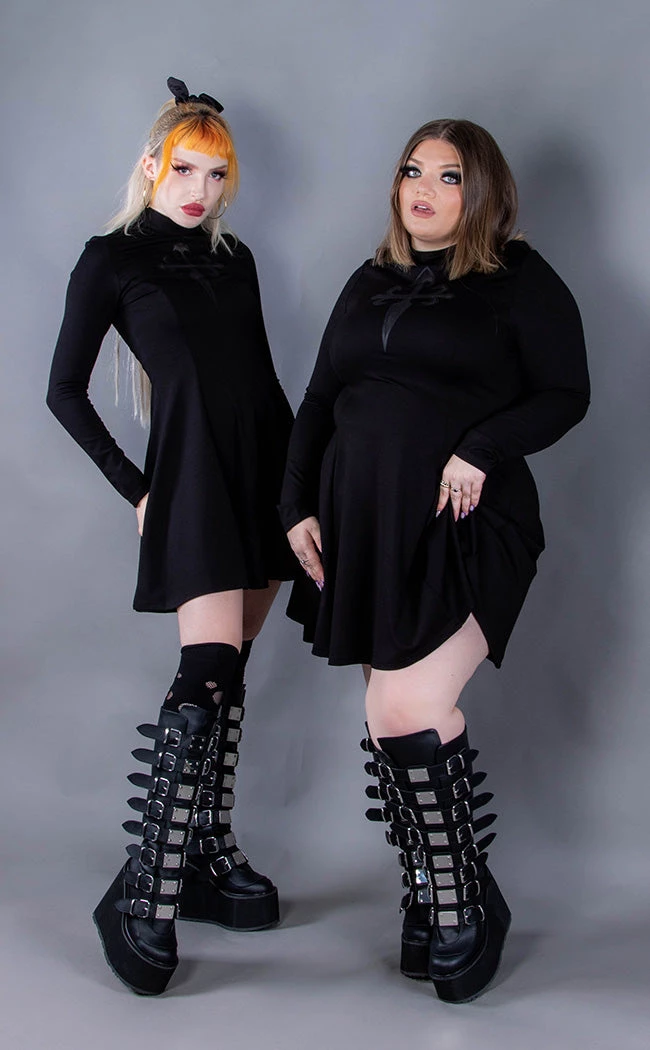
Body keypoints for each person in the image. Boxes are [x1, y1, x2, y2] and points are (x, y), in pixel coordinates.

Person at [279, 119, 590, 1002]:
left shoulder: (519, 279)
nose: (422, 189)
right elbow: (320, 398)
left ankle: (463, 900)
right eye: (412, 171)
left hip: (463, 524)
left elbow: (567, 393)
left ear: (481, 191)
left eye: (448, 176)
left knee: (406, 708)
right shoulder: (368, 278)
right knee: (389, 723)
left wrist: (480, 449)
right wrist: (295, 506)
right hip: (364, 529)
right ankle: (429, 890)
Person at [47, 77, 295, 996]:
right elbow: (63, 390)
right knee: (207, 670)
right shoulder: (110, 259)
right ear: (152, 164)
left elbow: (261, 380)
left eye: (215, 174)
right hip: (191, 483)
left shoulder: (237, 258)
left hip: (264, 476)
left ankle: (203, 854)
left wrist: (304, 489)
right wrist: (137, 489)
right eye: (184, 169)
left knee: (233, 674)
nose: (199, 189)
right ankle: (145, 882)